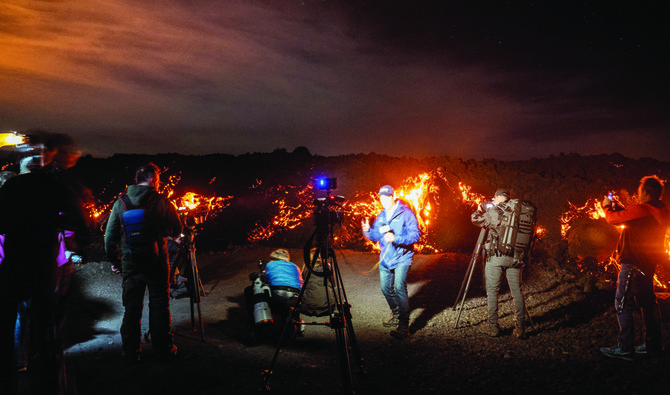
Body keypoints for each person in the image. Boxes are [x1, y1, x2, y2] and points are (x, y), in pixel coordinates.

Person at [0, 144, 88, 394]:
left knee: (8, 331)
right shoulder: (54, 187)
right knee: (47, 331)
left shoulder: (10, 187)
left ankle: (10, 380)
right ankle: (51, 384)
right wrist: (54, 221)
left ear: (20, 163)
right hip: (44, 268)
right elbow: (81, 221)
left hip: (14, 266)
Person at [104, 163, 182, 363]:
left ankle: (131, 351)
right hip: (157, 262)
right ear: (153, 179)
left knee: (131, 307)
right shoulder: (162, 201)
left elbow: (109, 237)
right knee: (160, 304)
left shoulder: (120, 203)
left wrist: (115, 261)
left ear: (136, 180)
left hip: (131, 263)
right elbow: (176, 229)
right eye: (158, 178)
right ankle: (163, 347)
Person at [600, 176, 669, 361]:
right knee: (648, 304)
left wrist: (607, 206)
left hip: (632, 265)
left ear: (645, 192)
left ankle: (625, 347)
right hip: (648, 265)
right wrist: (619, 206)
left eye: (639, 191)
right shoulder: (660, 211)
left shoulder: (643, 209)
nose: (638, 194)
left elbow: (612, 219)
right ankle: (653, 346)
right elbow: (635, 220)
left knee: (621, 304)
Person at [362, 185, 420, 340]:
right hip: (386, 259)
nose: (384, 200)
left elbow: (415, 235)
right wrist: (367, 231)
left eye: (387, 196)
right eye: (381, 197)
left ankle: (403, 325)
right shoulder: (381, 216)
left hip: (402, 257)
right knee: (385, 289)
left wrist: (396, 238)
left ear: (393, 196)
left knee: (399, 287)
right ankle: (396, 313)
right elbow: (375, 236)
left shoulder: (405, 213)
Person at [471, 188, 527, 339]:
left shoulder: (494, 212)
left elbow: (476, 220)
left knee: (493, 290)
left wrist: (478, 210)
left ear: (496, 198)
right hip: (516, 257)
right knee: (517, 292)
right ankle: (521, 328)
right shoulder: (519, 212)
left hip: (496, 257)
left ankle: (493, 327)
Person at [244, 249, 303, 338]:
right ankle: (292, 324)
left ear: (272, 258)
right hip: (295, 296)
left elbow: (266, 279)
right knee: (286, 306)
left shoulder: (270, 264)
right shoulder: (295, 266)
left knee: (251, 290)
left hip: (277, 294)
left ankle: (253, 325)